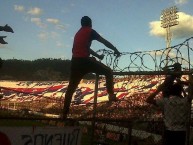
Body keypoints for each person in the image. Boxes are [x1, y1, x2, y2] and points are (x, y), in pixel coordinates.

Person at [63, 16, 121, 119]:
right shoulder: (90, 31)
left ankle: (64, 114)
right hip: (85, 61)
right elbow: (104, 42)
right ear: (90, 23)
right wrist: (115, 50)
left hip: (75, 62)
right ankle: (111, 96)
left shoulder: (78, 34)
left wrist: (98, 56)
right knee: (108, 71)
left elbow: (86, 48)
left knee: (70, 89)